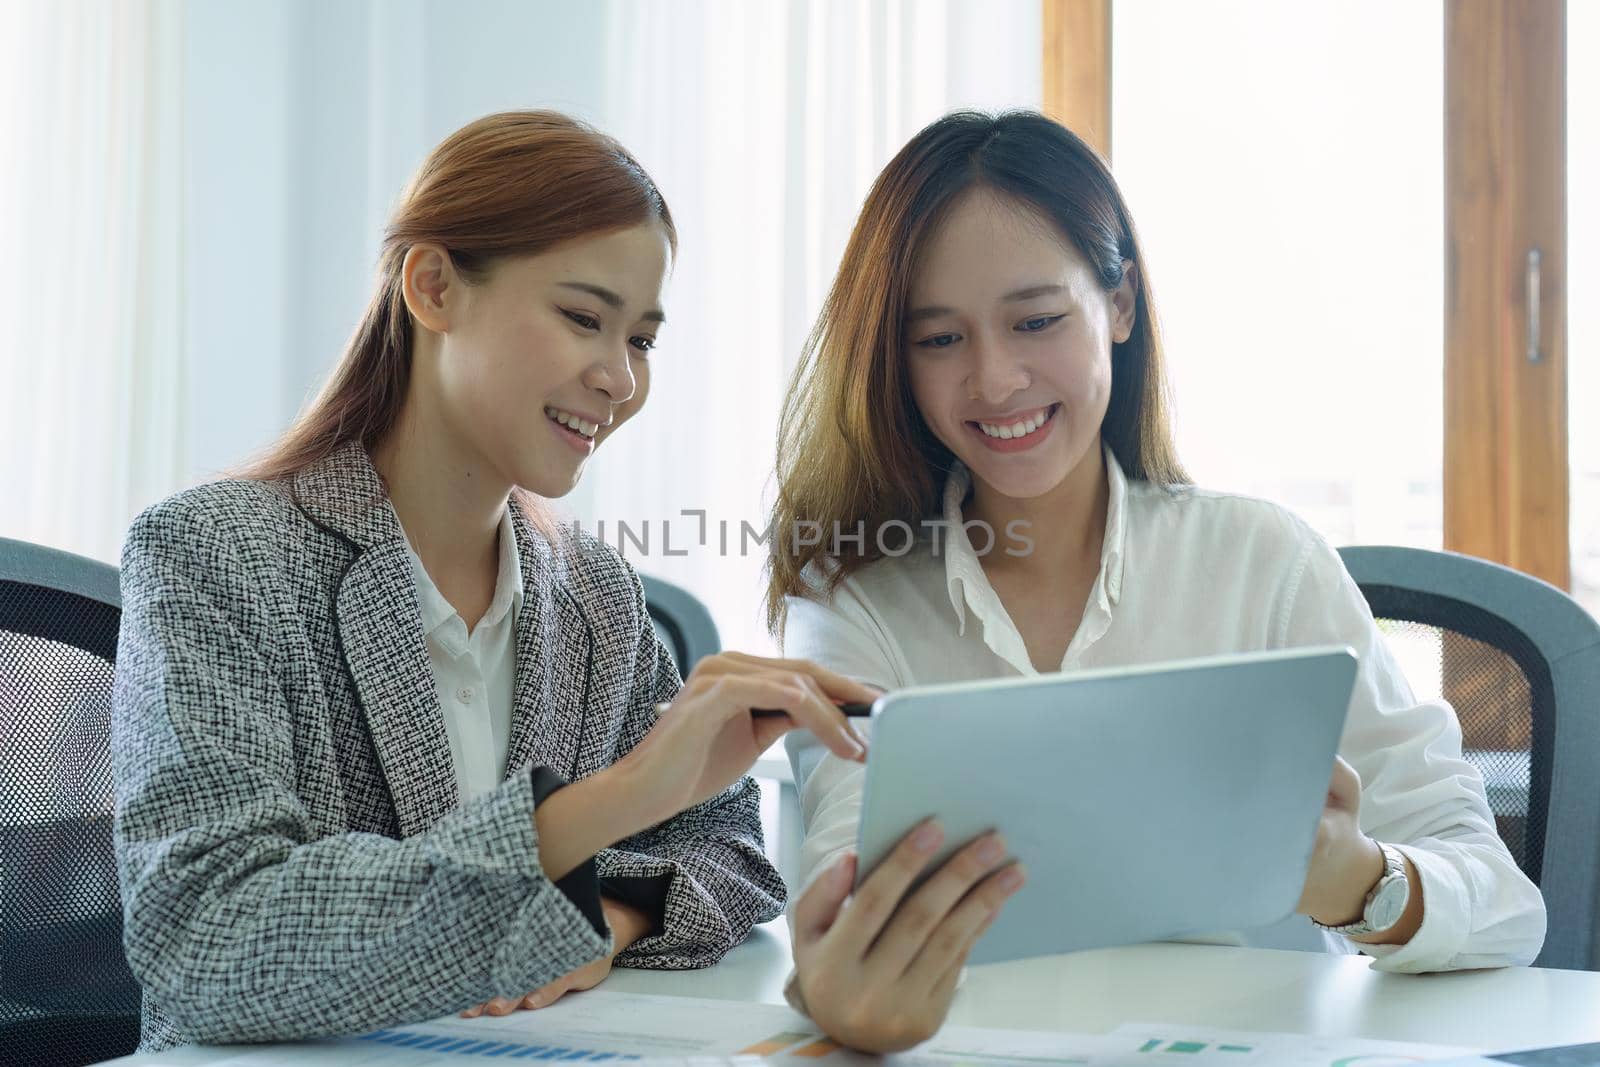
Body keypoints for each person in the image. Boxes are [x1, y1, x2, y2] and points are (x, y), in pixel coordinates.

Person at [770, 109, 1546, 1054]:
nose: (995, 378)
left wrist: (1358, 878)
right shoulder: (853, 599)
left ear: (1121, 304)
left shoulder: (1263, 563)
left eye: (1037, 320)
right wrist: (849, 975)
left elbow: (1504, 904)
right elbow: (847, 889)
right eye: (939, 339)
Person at [112, 110, 873, 1052]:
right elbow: (207, 936)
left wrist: (605, 915)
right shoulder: (214, 555)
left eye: (642, 339)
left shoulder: (595, 592)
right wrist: (610, 804)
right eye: (584, 318)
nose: (620, 379)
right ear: (433, 287)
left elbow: (729, 850)